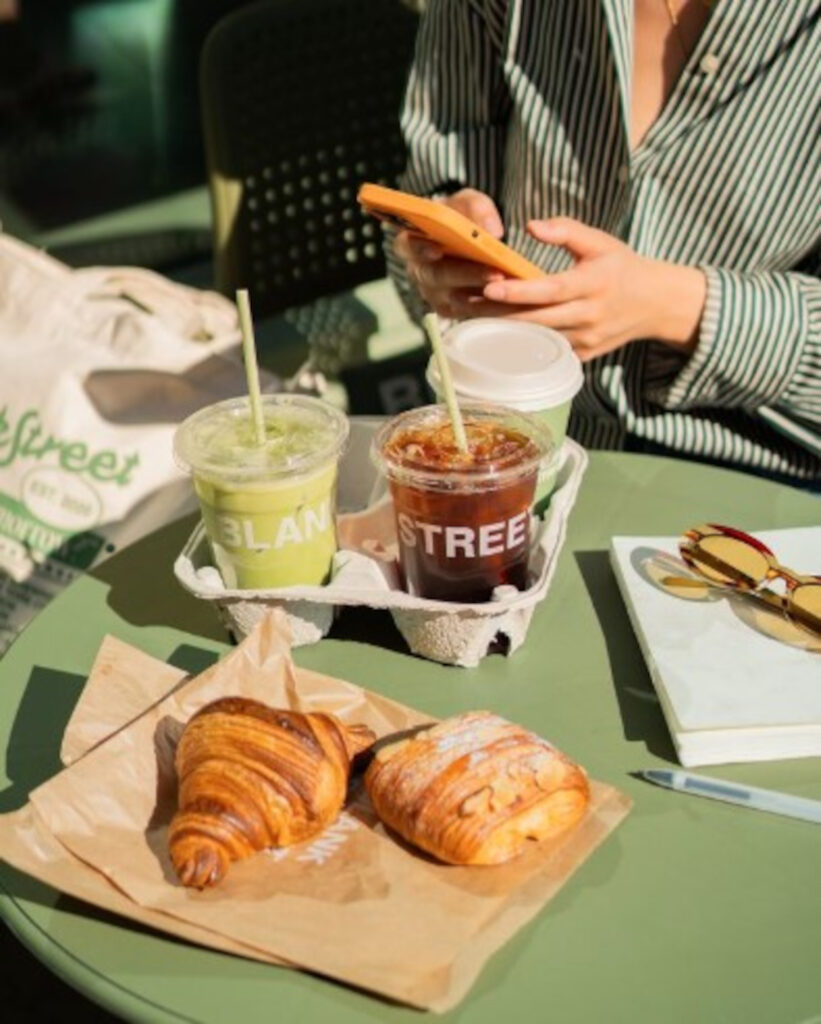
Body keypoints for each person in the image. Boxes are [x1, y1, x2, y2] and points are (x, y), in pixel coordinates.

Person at [387, 0, 821, 486]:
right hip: (503, 440)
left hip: (761, 475)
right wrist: (437, 261)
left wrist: (677, 306)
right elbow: (423, 225)